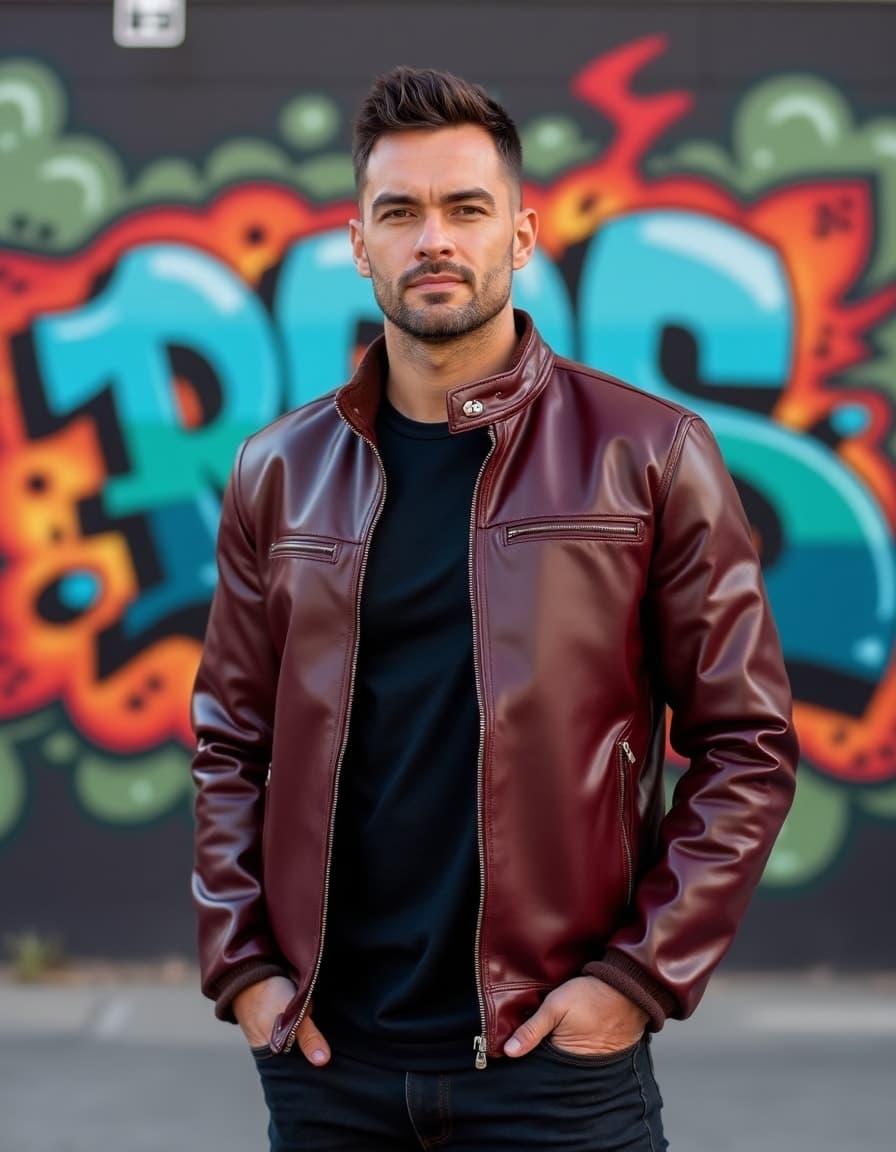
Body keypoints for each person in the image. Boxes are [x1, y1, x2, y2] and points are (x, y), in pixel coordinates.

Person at [191, 66, 798, 1151]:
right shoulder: (276, 471)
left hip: (551, 1067)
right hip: (329, 1067)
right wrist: (243, 971)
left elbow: (745, 744)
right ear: (358, 242)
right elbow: (229, 742)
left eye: (464, 208)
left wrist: (634, 979)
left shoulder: (646, 455)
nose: (433, 238)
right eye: (400, 212)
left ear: (518, 237)